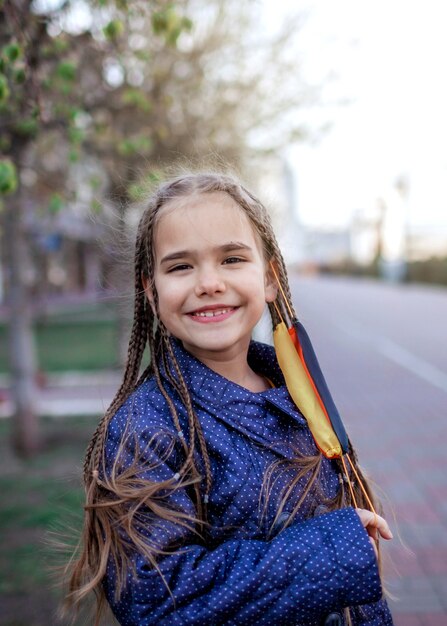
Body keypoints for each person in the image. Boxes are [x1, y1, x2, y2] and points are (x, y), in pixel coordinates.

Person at [65, 172, 394, 625]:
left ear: (270, 278)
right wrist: (331, 550)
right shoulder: (146, 428)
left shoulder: (294, 387)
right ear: (151, 290)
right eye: (181, 266)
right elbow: (157, 601)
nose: (209, 283)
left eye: (232, 259)